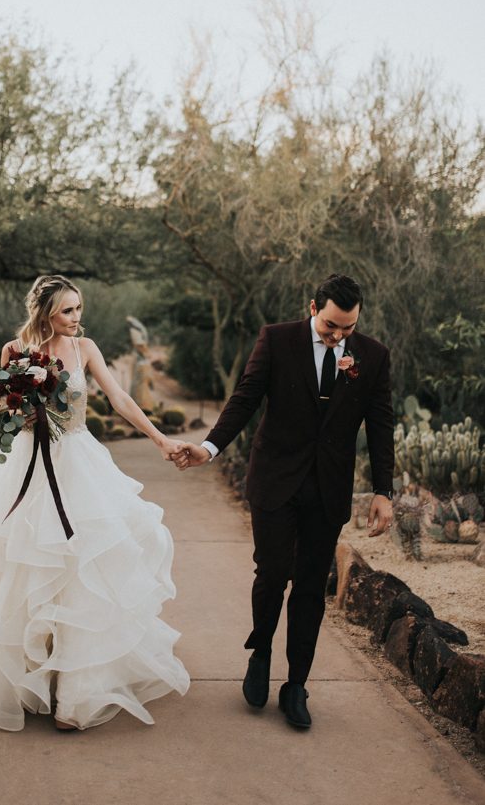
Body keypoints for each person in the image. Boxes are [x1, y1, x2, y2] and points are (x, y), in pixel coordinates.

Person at [0, 274, 190, 731]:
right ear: (45, 311)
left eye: (79, 309)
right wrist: (20, 405)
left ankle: (75, 693)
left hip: (80, 465)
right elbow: (3, 408)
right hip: (29, 464)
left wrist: (159, 438)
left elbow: (119, 396)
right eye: (68, 310)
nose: (76, 318)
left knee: (84, 570)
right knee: (22, 568)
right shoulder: (15, 351)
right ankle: (16, 679)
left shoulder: (85, 349)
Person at [172, 274, 394, 730]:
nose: (338, 336)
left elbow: (381, 425)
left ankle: (296, 685)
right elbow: (245, 400)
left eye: (348, 328)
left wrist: (384, 491)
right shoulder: (276, 340)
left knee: (311, 588)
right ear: (313, 307)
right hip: (275, 480)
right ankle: (260, 651)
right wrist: (209, 449)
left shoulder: (372, 356)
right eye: (331, 325)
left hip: (327, 489)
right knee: (272, 573)